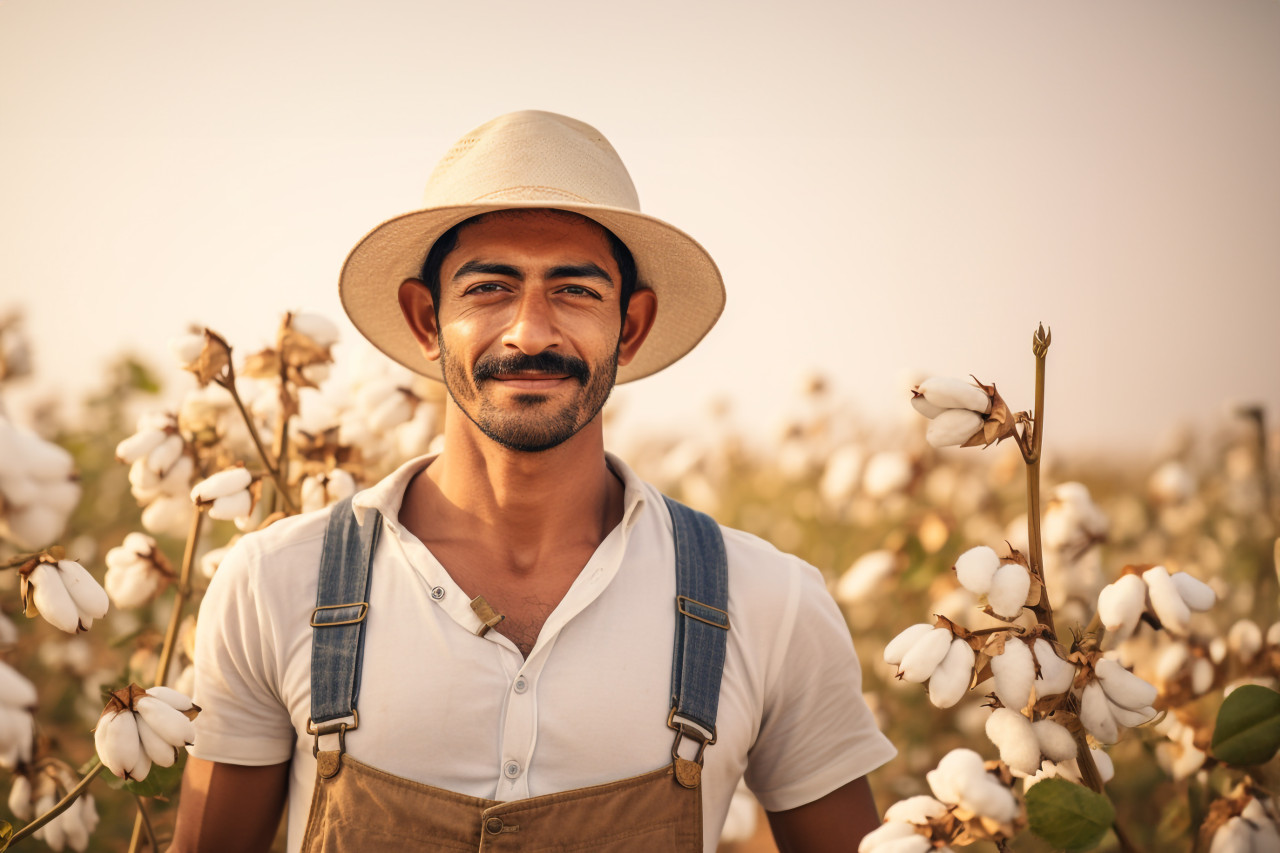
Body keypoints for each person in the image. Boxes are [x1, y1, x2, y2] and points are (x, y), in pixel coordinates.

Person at [172, 110, 896, 852]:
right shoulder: (274, 584)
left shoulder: (767, 603)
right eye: (489, 287)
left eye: (575, 292)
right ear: (426, 320)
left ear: (632, 326)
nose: (531, 333)